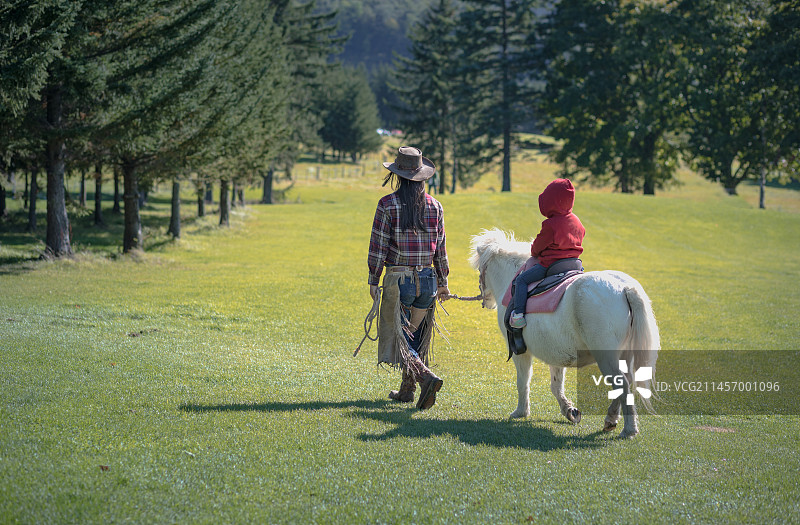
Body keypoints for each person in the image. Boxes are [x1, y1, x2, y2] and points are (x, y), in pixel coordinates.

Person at [367, 146, 451, 410]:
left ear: (398, 175)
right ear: (422, 176)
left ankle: (425, 377)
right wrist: (443, 282)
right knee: (414, 336)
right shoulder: (436, 206)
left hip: (399, 280)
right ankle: (407, 390)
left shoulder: (387, 205)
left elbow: (378, 246)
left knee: (400, 337)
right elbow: (441, 249)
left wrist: (373, 278)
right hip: (427, 279)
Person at [510, 178, 585, 328]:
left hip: (551, 265)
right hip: (574, 265)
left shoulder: (550, 225)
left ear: (552, 201)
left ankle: (518, 315)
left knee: (521, 281)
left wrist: (535, 252)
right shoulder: (576, 220)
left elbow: (536, 248)